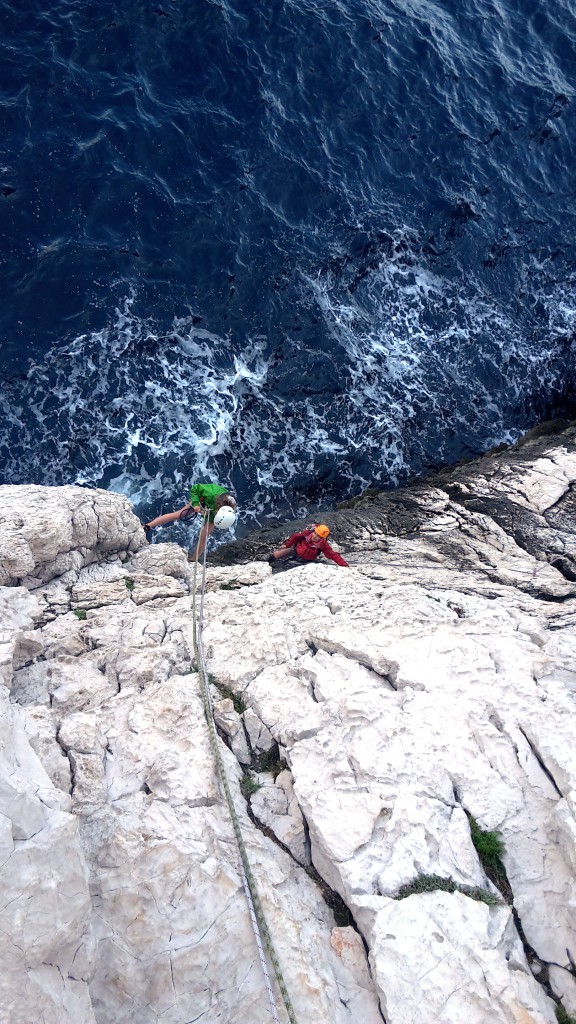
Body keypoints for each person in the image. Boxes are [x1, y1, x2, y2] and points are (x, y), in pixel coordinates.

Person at [144, 483, 237, 561]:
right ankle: (147, 526)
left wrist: (213, 514)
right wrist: (196, 504)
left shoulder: (230, 507)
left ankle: (194, 559)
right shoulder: (210, 493)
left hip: (215, 511)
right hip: (202, 501)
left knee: (204, 535)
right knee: (177, 515)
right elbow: (195, 488)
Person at [268, 524, 349, 568]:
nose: (314, 536)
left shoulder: (323, 544)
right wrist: (286, 545)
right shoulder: (307, 533)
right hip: (296, 550)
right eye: (315, 533)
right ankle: (268, 559)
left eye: (317, 535)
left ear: (321, 538)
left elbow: (332, 554)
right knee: (277, 554)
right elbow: (296, 537)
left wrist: (344, 565)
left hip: (307, 558)